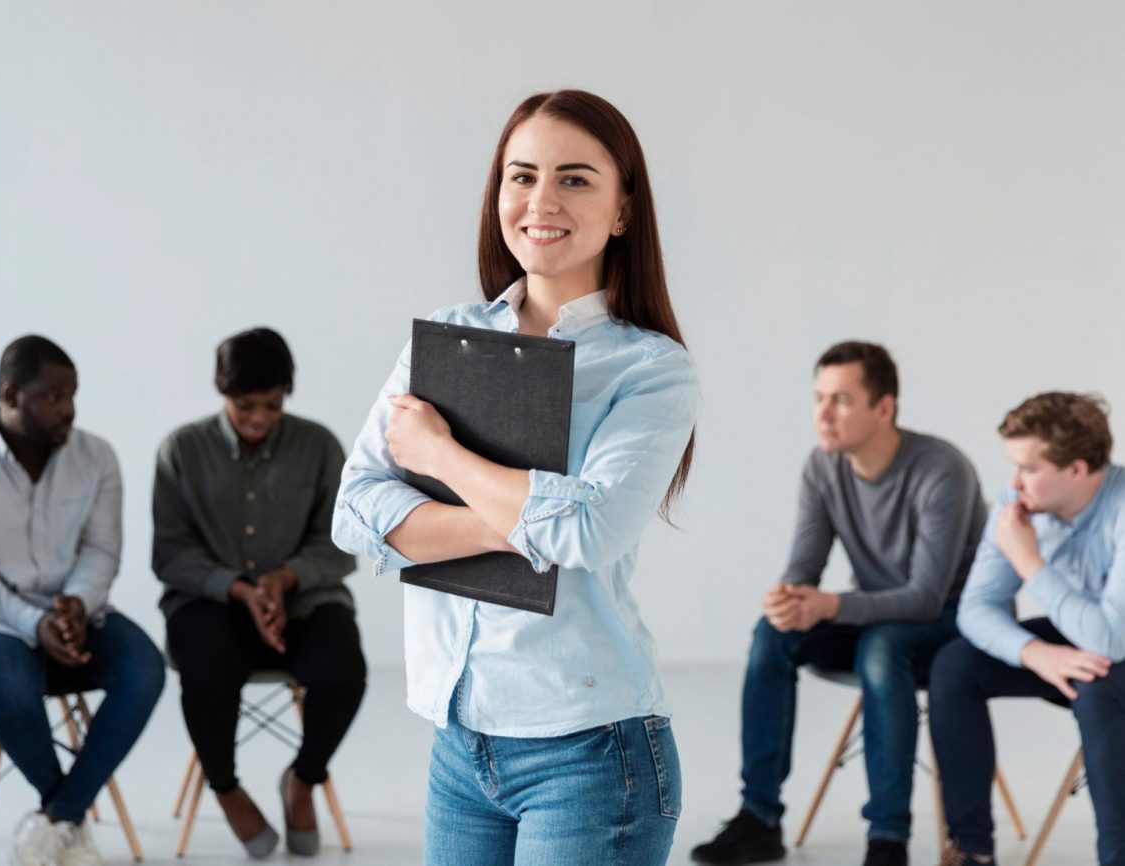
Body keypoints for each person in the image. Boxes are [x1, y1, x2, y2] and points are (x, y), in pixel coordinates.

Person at [333, 89, 698, 866]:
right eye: (520, 175)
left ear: (624, 210)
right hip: (458, 745)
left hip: (591, 751)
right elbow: (356, 510)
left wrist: (438, 459)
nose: (540, 200)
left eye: (574, 179)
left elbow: (591, 532)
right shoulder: (447, 339)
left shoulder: (651, 368)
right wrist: (526, 519)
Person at [692, 341, 987, 866]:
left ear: (884, 408)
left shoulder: (942, 470)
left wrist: (827, 606)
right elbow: (804, 571)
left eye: (841, 400)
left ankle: (887, 838)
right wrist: (788, 600)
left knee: (880, 647)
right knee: (770, 632)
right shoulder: (823, 467)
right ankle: (759, 817)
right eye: (819, 398)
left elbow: (923, 597)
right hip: (878, 610)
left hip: (949, 619)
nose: (823, 414)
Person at [0, 335, 164, 866]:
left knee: (145, 669)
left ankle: (57, 818)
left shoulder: (96, 455)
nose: (69, 409)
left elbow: (102, 550)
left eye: (73, 394)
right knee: (11, 679)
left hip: (73, 607)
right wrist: (35, 625)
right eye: (53, 397)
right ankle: (69, 820)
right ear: (11, 395)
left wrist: (77, 604)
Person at [153, 326, 365, 858]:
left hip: (305, 602)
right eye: (245, 405)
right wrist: (239, 589)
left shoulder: (319, 446)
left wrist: (284, 579)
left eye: (272, 406)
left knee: (344, 669)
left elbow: (344, 543)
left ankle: (304, 779)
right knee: (204, 667)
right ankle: (224, 788)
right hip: (210, 605)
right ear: (221, 391)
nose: (258, 419)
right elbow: (171, 554)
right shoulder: (182, 449)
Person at [929, 392, 1125, 866]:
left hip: (1117, 649)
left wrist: (1030, 563)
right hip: (1076, 647)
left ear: (1077, 469)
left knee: (1097, 688)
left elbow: (1110, 639)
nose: (1015, 482)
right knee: (955, 666)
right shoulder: (1016, 505)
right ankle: (973, 851)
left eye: (1029, 469)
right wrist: (1034, 651)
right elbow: (975, 609)